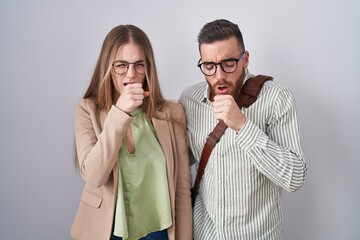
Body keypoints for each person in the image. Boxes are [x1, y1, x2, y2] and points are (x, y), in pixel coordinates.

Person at [179, 19, 307, 239]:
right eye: (209, 66)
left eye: (229, 63)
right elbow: (180, 162)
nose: (219, 76)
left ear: (245, 59)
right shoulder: (190, 99)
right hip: (204, 234)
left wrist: (242, 125)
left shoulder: (276, 98)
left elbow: (295, 178)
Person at [71, 24, 192, 240]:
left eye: (139, 65)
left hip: (160, 231)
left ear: (148, 68)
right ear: (107, 67)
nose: (131, 74)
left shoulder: (172, 113)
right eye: (121, 65)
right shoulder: (86, 110)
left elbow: (182, 189)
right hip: (107, 230)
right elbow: (94, 175)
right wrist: (119, 112)